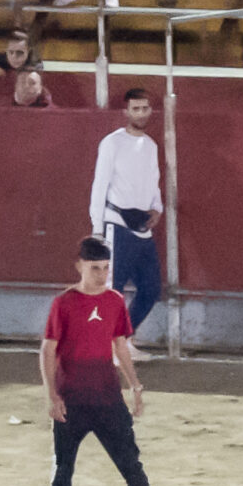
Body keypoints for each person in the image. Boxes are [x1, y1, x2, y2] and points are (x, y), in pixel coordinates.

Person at [42, 235, 176, 486]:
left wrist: (135, 385)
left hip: (107, 400)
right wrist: (52, 395)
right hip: (72, 400)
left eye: (105, 268)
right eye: (94, 268)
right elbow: (48, 351)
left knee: (132, 466)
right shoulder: (64, 304)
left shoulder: (115, 301)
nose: (101, 275)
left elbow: (120, 346)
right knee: (63, 469)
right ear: (80, 266)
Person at [88, 86, 165, 343]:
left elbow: (154, 181)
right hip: (116, 224)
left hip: (142, 226)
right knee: (112, 291)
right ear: (126, 111)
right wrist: (97, 229)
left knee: (151, 288)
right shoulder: (112, 142)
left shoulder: (151, 146)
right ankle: (103, 349)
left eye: (145, 108)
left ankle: (122, 341)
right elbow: (100, 184)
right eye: (136, 109)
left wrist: (157, 208)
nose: (141, 113)